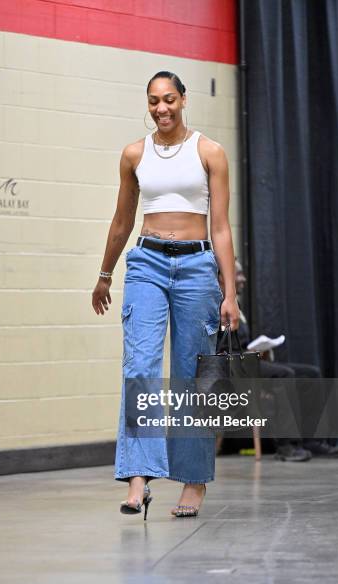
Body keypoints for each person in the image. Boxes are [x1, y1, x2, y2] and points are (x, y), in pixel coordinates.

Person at [91, 71, 240, 519]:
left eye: (169, 99)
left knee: (192, 376)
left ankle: (193, 482)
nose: (161, 108)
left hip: (196, 265)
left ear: (183, 99)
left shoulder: (210, 152)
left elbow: (220, 227)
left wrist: (229, 292)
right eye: (154, 101)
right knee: (139, 365)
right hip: (147, 263)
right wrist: (104, 274)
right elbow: (121, 222)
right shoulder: (134, 154)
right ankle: (138, 477)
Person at [217, 260, 338, 460]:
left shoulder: (236, 305)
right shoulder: (216, 304)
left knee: (311, 373)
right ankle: (286, 445)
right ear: (222, 277)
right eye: (238, 274)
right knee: (284, 374)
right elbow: (220, 349)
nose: (243, 278)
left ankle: (312, 440)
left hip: (248, 361)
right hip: (231, 368)